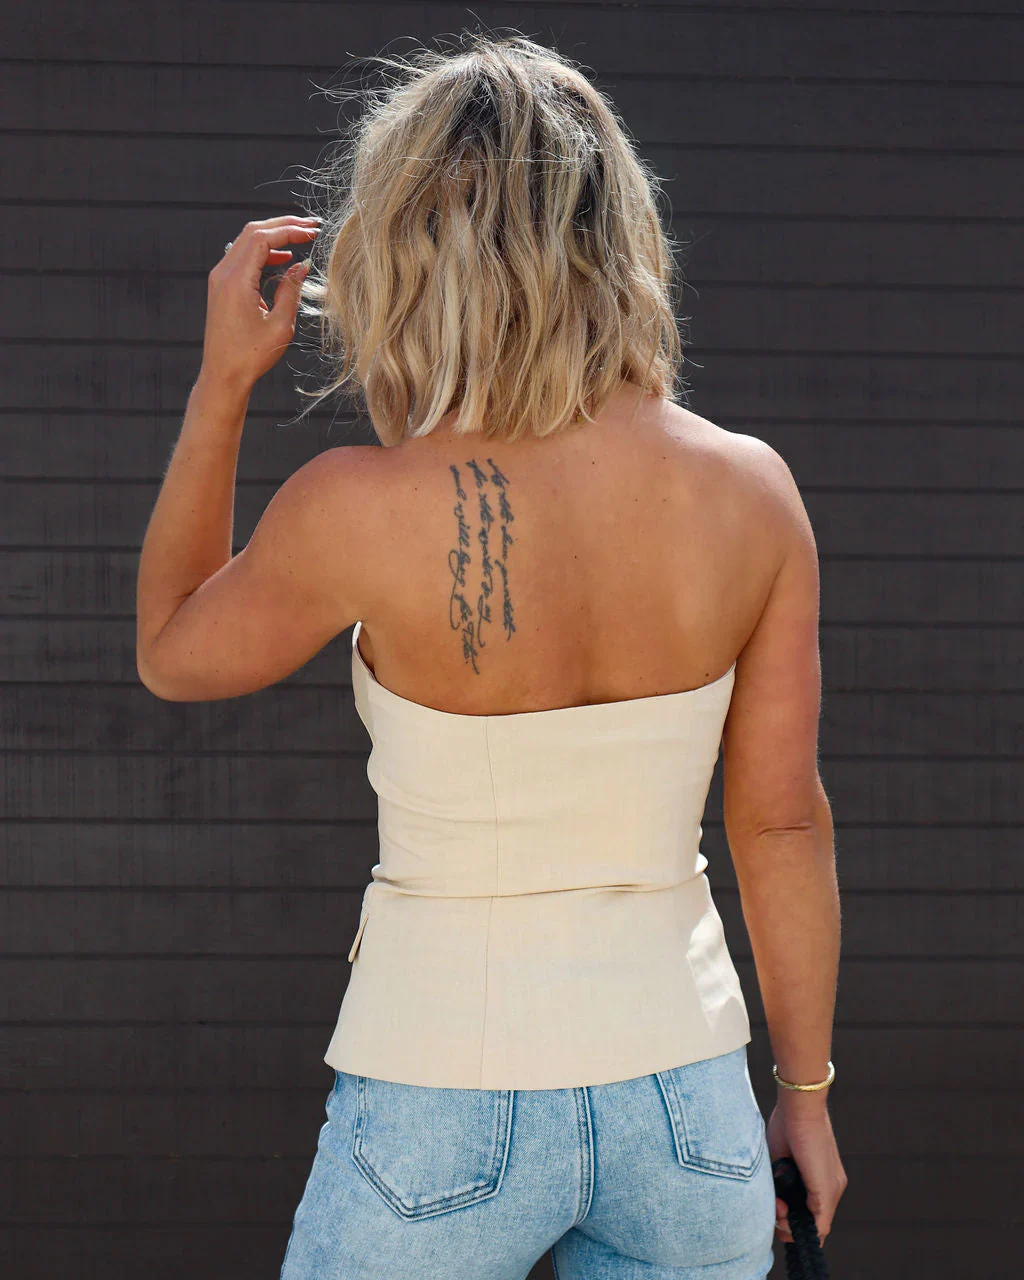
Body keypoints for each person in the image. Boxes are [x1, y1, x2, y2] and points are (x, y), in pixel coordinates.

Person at [135, 30, 846, 1280]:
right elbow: (780, 822)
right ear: (616, 232)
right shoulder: (751, 492)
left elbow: (172, 647)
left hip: (436, 1099)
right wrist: (805, 1095)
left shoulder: (359, 503)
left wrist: (221, 386)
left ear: (407, 247)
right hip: (687, 1108)